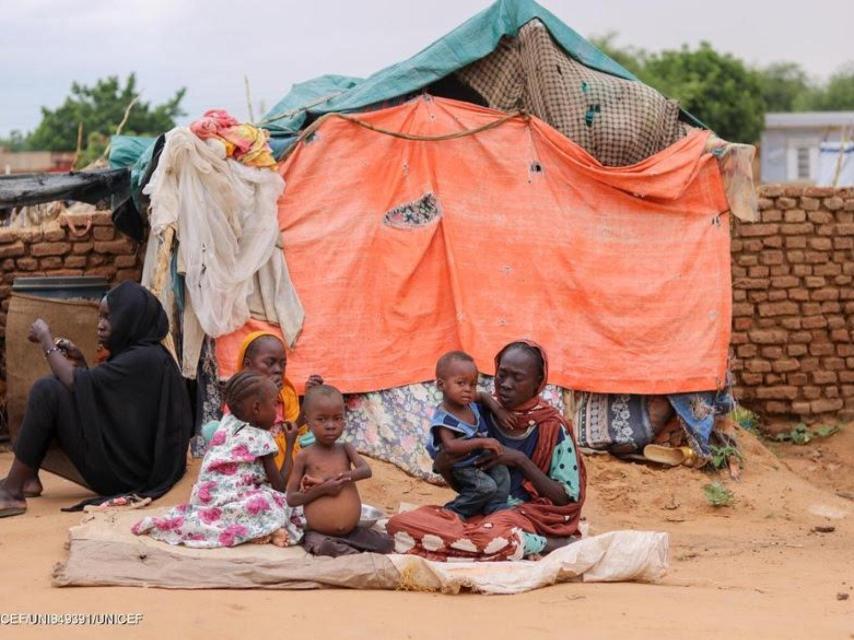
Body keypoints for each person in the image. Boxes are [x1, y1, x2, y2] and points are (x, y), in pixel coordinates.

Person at [0, 281, 193, 517]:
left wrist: (46, 339)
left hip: (126, 475)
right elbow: (107, 400)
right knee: (57, 390)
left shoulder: (144, 359)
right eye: (100, 317)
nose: (100, 325)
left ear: (131, 318)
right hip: (129, 465)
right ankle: (27, 478)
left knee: (48, 390)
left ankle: (12, 492)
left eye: (109, 318)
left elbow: (73, 381)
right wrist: (81, 363)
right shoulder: (146, 354)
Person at [387, 340, 585, 561]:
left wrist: (520, 461)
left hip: (526, 517)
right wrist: (445, 465)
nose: (506, 384)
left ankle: (546, 543)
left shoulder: (552, 427)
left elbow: (566, 499)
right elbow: (467, 482)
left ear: (538, 383)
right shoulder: (474, 412)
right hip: (479, 514)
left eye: (517, 378)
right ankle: (487, 544)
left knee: (493, 536)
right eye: (502, 375)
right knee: (398, 525)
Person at [133, 371, 303, 548]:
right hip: (234, 499)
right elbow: (280, 486)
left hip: (204, 498)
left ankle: (254, 530)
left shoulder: (227, 422)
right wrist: (290, 443)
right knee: (278, 501)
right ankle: (262, 530)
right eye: (274, 405)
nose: (277, 412)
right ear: (256, 408)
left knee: (245, 506)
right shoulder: (261, 438)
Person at [287, 384, 392, 557]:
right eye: (321, 419)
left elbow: (366, 470)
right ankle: (350, 554)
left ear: (344, 419)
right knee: (322, 545)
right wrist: (322, 489)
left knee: (387, 543)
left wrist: (345, 476)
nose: (330, 426)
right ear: (308, 421)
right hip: (320, 533)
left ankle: (349, 550)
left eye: (337, 418)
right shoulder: (304, 456)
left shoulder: (345, 449)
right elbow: (291, 498)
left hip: (352, 531)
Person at [212, 331, 322, 471]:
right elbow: (245, 439)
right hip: (256, 458)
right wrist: (268, 396)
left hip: (286, 454)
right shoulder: (240, 397)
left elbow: (294, 430)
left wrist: (308, 400)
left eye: (283, 364)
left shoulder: (286, 393)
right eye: (270, 363)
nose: (278, 370)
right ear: (247, 365)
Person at [426, 351, 509, 519]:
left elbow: (484, 396)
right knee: (485, 487)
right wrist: (482, 442)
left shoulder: (468, 401)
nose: (468, 390)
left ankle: (495, 507)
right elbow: (450, 446)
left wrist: (499, 411)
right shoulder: (445, 418)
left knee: (501, 471)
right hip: (461, 466)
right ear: (442, 385)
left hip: (477, 459)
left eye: (472, 384)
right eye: (461, 383)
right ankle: (455, 511)